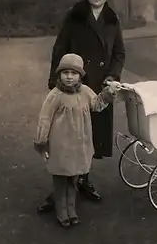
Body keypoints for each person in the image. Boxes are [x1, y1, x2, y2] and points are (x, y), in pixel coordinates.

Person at [37, 0, 125, 212]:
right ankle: (59, 190)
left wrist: (112, 76)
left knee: (91, 136)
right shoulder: (74, 16)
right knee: (66, 136)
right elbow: (60, 48)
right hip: (73, 84)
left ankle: (83, 180)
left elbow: (119, 53)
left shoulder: (112, 20)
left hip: (99, 86)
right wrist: (54, 79)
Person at [34, 54, 120, 227]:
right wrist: (42, 143)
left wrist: (109, 92)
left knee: (73, 179)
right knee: (60, 181)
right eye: (65, 72)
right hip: (60, 146)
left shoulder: (86, 92)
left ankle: (71, 208)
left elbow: (97, 104)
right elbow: (44, 119)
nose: (69, 76)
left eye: (74, 73)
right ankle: (61, 210)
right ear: (59, 74)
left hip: (79, 145)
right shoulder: (55, 95)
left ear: (80, 75)